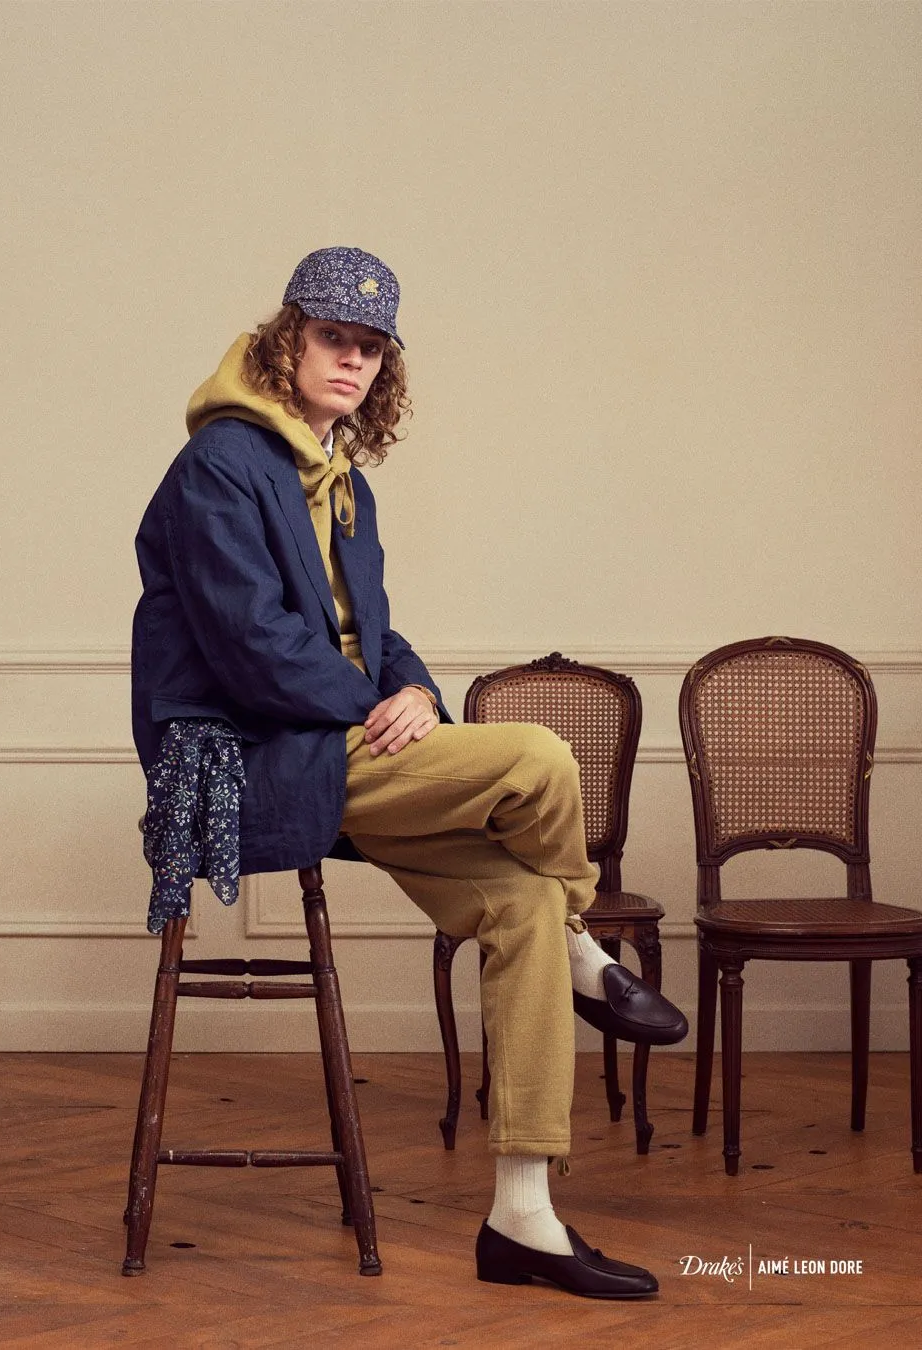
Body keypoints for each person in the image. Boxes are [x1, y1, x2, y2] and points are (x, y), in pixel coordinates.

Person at [131, 246, 687, 1300]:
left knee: (522, 903)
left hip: (338, 747)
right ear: (286, 339)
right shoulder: (219, 467)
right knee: (539, 755)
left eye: (372, 348)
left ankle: (522, 1220)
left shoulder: (345, 484)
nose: (353, 360)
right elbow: (251, 649)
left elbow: (375, 637)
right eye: (333, 337)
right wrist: (374, 705)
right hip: (251, 757)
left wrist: (420, 694)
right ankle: (588, 947)